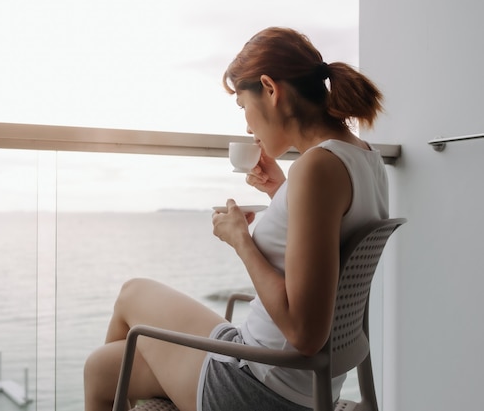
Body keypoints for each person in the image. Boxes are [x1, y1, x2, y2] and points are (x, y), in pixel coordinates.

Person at [83, 27, 388, 411]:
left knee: (130, 295)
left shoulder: (317, 168)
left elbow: (305, 334)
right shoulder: (364, 158)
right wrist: (280, 191)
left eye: (244, 106)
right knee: (99, 369)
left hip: (258, 389)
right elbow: (327, 245)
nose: (247, 126)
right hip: (284, 374)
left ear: (270, 89)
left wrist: (240, 240)